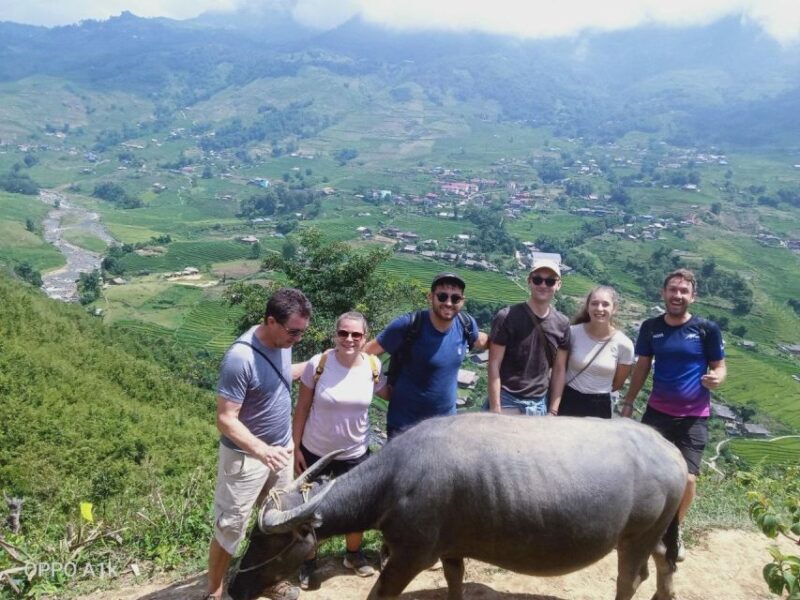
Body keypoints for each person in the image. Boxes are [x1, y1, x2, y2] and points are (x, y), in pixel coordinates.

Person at [206, 288, 312, 600]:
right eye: (293, 332)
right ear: (271, 321)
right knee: (231, 526)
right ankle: (214, 592)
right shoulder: (240, 359)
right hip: (246, 458)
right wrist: (261, 450)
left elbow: (278, 376)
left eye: (302, 332)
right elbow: (225, 419)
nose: (298, 339)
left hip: (279, 452)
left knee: (278, 522)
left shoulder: (283, 342)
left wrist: (319, 363)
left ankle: (267, 580)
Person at [621, 268, 726, 561]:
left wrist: (717, 378)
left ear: (693, 296)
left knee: (688, 479)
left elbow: (720, 366)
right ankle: (642, 525)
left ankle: (674, 528)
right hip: (657, 413)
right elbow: (643, 366)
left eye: (683, 291)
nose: (677, 295)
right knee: (646, 475)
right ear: (663, 293)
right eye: (673, 290)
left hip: (694, 417)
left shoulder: (706, 329)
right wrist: (629, 400)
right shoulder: (651, 327)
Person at [292, 312, 384, 589]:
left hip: (355, 452)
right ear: (335, 335)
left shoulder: (373, 365)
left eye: (356, 334)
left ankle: (353, 555)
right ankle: (308, 562)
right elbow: (302, 407)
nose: (349, 339)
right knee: (308, 509)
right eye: (343, 333)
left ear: (365, 338)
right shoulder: (318, 364)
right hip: (314, 451)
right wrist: (295, 447)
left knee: (357, 508)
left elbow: (386, 391)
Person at [364, 272, 487, 438]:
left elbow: (481, 340)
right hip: (405, 426)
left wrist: (507, 341)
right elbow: (365, 354)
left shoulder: (466, 324)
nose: (448, 303)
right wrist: (380, 387)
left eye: (455, 298)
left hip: (445, 425)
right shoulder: (409, 325)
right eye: (442, 296)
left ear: (462, 301)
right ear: (431, 297)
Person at [487, 259, 570, 415]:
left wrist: (553, 411)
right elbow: (494, 364)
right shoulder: (507, 317)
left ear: (558, 285)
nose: (543, 285)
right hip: (507, 400)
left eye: (550, 281)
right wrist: (495, 408)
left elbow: (559, 369)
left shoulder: (563, 324)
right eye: (538, 279)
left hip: (539, 405)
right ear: (529, 281)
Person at [551, 286, 634, 418]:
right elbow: (559, 369)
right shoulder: (572, 333)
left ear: (614, 308)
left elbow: (618, 383)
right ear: (587, 306)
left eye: (605, 304)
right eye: (594, 303)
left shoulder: (624, 345)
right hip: (569, 400)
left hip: (600, 406)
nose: (599, 308)